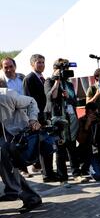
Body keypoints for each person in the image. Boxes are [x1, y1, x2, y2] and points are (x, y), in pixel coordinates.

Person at [0, 88, 42, 213]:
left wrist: (33, 119)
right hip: (3, 137)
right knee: (7, 164)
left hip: (15, 133)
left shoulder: (7, 95)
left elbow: (31, 102)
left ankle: (20, 192)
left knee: (6, 160)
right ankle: (21, 193)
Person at [44, 59, 81, 183]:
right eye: (62, 70)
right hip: (57, 119)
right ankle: (63, 177)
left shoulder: (69, 84)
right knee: (60, 149)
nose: (65, 72)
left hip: (70, 119)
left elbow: (74, 101)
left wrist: (67, 97)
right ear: (55, 69)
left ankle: (76, 174)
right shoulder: (49, 81)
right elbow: (51, 97)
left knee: (72, 147)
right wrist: (57, 82)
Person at [23, 54, 57, 182]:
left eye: (43, 62)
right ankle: (47, 175)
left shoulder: (43, 78)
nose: (41, 64)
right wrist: (34, 119)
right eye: (39, 62)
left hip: (46, 116)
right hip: (37, 118)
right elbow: (28, 101)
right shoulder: (29, 78)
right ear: (32, 64)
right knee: (44, 146)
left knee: (48, 146)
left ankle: (49, 173)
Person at [1, 58, 31, 178]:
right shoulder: (2, 82)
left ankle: (31, 162)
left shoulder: (22, 78)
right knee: (14, 143)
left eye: (10, 66)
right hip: (11, 117)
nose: (8, 69)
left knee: (28, 140)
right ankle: (22, 169)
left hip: (26, 113)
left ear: (15, 66)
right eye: (5, 67)